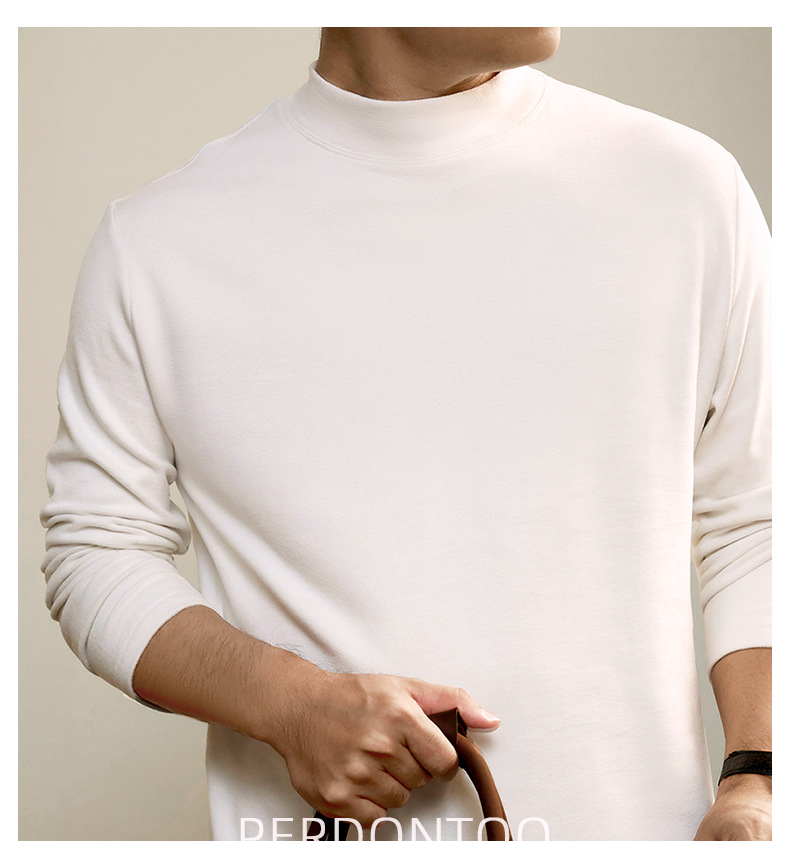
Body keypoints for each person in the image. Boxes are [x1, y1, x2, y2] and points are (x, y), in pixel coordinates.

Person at [40, 27, 771, 841]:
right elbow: (95, 551)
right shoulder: (158, 242)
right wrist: (290, 704)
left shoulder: (685, 189)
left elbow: (758, 518)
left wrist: (757, 779)